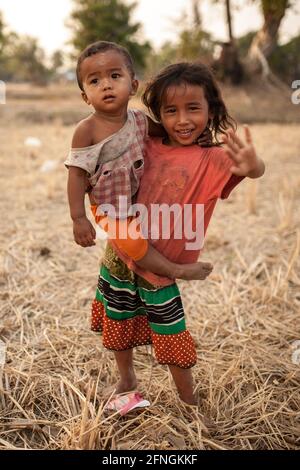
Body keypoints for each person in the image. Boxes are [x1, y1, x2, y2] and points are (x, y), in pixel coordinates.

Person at [91, 61, 265, 410]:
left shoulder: (213, 159)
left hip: (162, 268)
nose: (182, 120)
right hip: (122, 254)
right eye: (171, 111)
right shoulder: (144, 145)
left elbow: (251, 170)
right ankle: (126, 378)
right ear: (159, 114)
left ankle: (189, 401)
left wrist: (254, 166)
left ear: (211, 110)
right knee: (118, 320)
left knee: (171, 333)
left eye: (193, 109)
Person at [65, 40, 213, 282]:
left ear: (133, 85)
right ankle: (175, 270)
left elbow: (170, 133)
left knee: (160, 229)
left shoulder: (140, 121)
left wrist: (199, 136)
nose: (106, 85)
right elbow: (76, 175)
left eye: (114, 75)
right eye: (94, 81)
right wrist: (78, 218)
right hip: (109, 207)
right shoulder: (87, 130)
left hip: (139, 202)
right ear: (85, 97)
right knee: (132, 241)